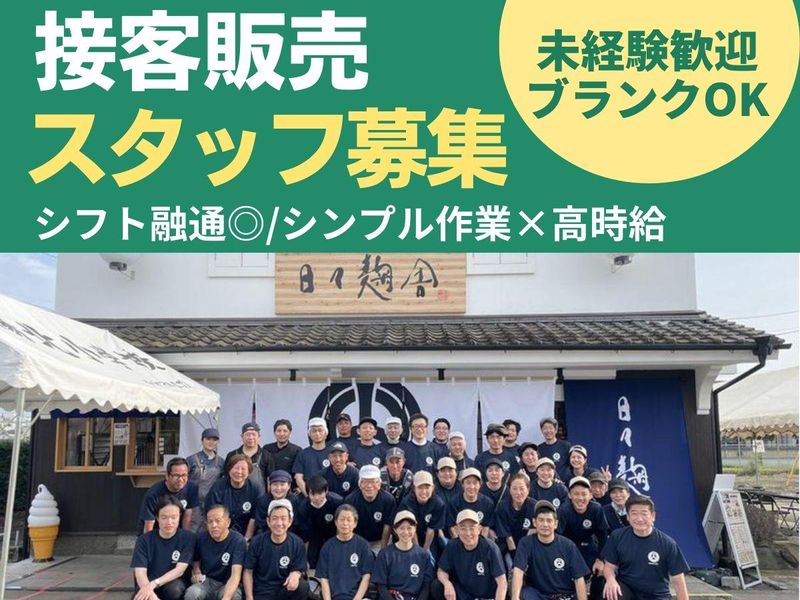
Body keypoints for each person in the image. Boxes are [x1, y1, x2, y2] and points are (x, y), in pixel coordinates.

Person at [601, 496, 690, 600]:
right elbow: (609, 567)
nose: (639, 519)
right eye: (634, 513)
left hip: (656, 595)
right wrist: (610, 580)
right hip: (627, 589)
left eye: (644, 513)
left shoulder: (667, 543)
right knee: (612, 593)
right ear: (628, 517)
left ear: (653, 516)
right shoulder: (617, 536)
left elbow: (678, 580)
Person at [511, 500, 589, 600]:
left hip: (563, 595)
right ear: (534, 522)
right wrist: (515, 598)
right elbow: (518, 570)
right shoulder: (525, 543)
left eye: (549, 520)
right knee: (525, 593)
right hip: (537, 595)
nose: (545, 524)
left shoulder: (568, 545)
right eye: (541, 520)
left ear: (556, 524)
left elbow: (579, 578)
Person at [432, 509, 507, 600]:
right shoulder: (452, 545)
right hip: (463, 595)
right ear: (457, 530)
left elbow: (502, 582)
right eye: (463, 528)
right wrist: (447, 584)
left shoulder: (490, 548)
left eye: (472, 528)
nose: (468, 533)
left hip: (485, 597)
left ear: (479, 529)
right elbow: (441, 571)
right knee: (437, 586)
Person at [131, 497, 197, 600]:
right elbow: (140, 572)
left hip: (173, 584)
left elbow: (179, 570)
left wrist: (154, 583)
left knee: (174, 589)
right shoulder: (144, 540)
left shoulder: (188, 538)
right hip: (148, 585)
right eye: (164, 517)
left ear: (179, 516)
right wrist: (150, 593)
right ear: (157, 518)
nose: (169, 522)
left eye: (174, 517)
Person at [243, 499, 309, 600]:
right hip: (262, 591)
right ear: (268, 521)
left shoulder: (297, 543)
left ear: (290, 521)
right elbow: (248, 572)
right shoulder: (256, 542)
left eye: (283, 518)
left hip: (284, 590)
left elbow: (299, 568)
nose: (279, 523)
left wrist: (296, 574)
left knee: (303, 586)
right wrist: (249, 597)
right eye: (274, 518)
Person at [557, 477, 609, 600]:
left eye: (584, 494)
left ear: (590, 495)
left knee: (600, 572)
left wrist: (601, 559)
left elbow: (603, 536)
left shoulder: (596, 509)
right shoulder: (563, 510)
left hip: (588, 545)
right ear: (569, 495)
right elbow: (557, 537)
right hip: (567, 548)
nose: (580, 498)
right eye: (576, 494)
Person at [185, 504, 247, 600]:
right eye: (210, 522)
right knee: (192, 593)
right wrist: (197, 571)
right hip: (207, 581)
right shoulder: (201, 538)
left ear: (228, 522)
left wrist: (226, 598)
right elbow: (196, 560)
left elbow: (236, 575)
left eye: (218, 521)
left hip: (227, 582)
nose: (214, 525)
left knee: (234, 596)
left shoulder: (238, 541)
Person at [316, 504, 374, 600]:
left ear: (355, 523)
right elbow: (324, 578)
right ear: (336, 522)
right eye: (342, 519)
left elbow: (366, 576)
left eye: (349, 520)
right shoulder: (327, 547)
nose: (345, 523)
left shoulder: (363, 545)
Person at [372, 510, 435, 600]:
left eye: (409, 528)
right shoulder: (385, 554)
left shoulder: (423, 555)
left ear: (415, 529)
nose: (406, 532)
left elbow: (426, 586)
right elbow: (381, 586)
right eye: (401, 528)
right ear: (395, 530)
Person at [205, 454, 264, 541]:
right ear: (229, 470)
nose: (239, 472)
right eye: (236, 468)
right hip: (223, 534)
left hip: (247, 533)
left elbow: (254, 517)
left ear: (249, 472)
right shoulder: (218, 486)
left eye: (243, 469)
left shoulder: (255, 488)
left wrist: (246, 539)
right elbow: (212, 513)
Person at [139, 457, 199, 534]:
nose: (180, 479)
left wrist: (185, 537)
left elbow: (187, 517)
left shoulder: (192, 488)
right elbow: (149, 524)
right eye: (176, 475)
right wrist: (149, 541)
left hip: (176, 532)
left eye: (184, 475)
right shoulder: (153, 494)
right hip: (155, 532)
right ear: (167, 476)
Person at [343, 465, 396, 553]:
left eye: (373, 482)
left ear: (379, 484)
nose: (369, 486)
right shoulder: (350, 500)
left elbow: (387, 525)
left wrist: (383, 549)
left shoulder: (388, 500)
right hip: (358, 541)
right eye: (365, 482)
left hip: (380, 541)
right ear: (360, 484)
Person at [294, 475, 343, 569]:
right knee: (312, 560)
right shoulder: (303, 508)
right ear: (308, 493)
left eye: (320, 493)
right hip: (313, 537)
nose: (316, 497)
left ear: (326, 491)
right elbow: (304, 531)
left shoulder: (337, 502)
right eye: (313, 494)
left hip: (333, 535)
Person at [398, 471, 446, 558]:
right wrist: (418, 550)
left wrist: (425, 549)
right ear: (414, 488)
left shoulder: (438, 503)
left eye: (427, 487)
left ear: (433, 488)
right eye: (420, 487)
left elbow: (431, 529)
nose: (424, 491)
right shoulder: (406, 503)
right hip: (409, 536)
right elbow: (410, 529)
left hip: (429, 538)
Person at [188, 429, 226, 530]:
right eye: (208, 439)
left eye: (214, 440)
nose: (211, 442)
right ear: (202, 440)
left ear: (218, 442)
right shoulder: (191, 460)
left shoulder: (221, 462)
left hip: (213, 502)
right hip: (194, 502)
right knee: (193, 529)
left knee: (211, 528)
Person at [494, 473, 536, 565]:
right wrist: (516, 560)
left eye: (522, 488)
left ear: (528, 490)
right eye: (514, 488)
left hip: (528, 545)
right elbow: (508, 538)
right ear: (509, 490)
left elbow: (530, 534)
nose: (518, 493)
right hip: (509, 547)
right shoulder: (502, 506)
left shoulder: (534, 507)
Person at [226, 422, 275, 493]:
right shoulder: (232, 455)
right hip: (235, 495)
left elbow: (271, 479)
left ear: (259, 436)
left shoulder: (266, 456)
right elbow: (226, 477)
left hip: (259, 496)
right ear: (242, 436)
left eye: (254, 434)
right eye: (248, 435)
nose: (251, 437)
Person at [446, 468, 495, 539]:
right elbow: (452, 528)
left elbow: (485, 528)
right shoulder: (453, 502)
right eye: (468, 483)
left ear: (480, 485)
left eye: (475, 483)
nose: (471, 487)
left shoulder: (487, 503)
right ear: (462, 484)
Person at [254, 470, 301, 536]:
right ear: (270, 486)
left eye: (282, 484)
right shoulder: (263, 501)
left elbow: (296, 523)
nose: (278, 488)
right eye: (275, 484)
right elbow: (260, 523)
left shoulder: (294, 501)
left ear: (289, 486)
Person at [294, 418, 331, 496]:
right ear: (309, 434)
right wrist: (309, 495)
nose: (317, 433)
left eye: (320, 430)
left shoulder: (332, 453)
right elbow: (298, 478)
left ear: (326, 433)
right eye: (314, 431)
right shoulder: (303, 454)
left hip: (329, 495)